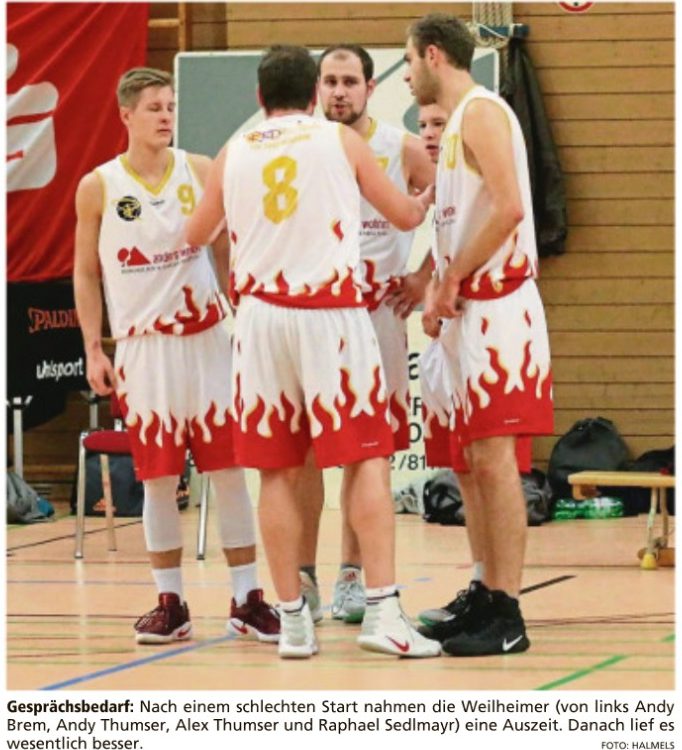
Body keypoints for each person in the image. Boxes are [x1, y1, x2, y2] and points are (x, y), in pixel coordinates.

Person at [186, 45, 440, 659]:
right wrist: (439, 194)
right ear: (313, 94)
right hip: (329, 314)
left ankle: (293, 618)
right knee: (368, 457)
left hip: (260, 320)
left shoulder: (234, 151)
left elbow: (195, 234)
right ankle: (382, 611)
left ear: (259, 97)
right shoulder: (340, 141)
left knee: (276, 470)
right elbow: (406, 216)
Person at [73, 67, 279, 646]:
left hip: (207, 340)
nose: (166, 116)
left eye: (170, 106)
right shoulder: (99, 185)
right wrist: (92, 347)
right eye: (154, 108)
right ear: (126, 115)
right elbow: (86, 273)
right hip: (143, 349)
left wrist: (243, 310)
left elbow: (226, 246)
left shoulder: (200, 169)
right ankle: (171, 602)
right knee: (159, 479)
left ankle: (247, 598)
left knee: (230, 472)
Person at [404, 14, 554, 656]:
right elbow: (462, 221)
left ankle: (508, 612)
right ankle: (486, 591)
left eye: (409, 60)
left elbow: (511, 206)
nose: (407, 74)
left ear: (434, 55)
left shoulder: (483, 112)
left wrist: (452, 277)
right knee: (470, 461)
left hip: (499, 310)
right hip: (467, 312)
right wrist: (436, 281)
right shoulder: (458, 123)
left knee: (495, 462)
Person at [295, 45, 435, 626]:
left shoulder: (401, 148)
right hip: (312, 316)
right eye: (329, 81)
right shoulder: (299, 147)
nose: (338, 91)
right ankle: (301, 576)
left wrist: (425, 276)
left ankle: (352, 575)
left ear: (371, 88)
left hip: (375, 316)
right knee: (302, 450)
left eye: (349, 81)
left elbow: (455, 208)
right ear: (316, 88)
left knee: (367, 451)